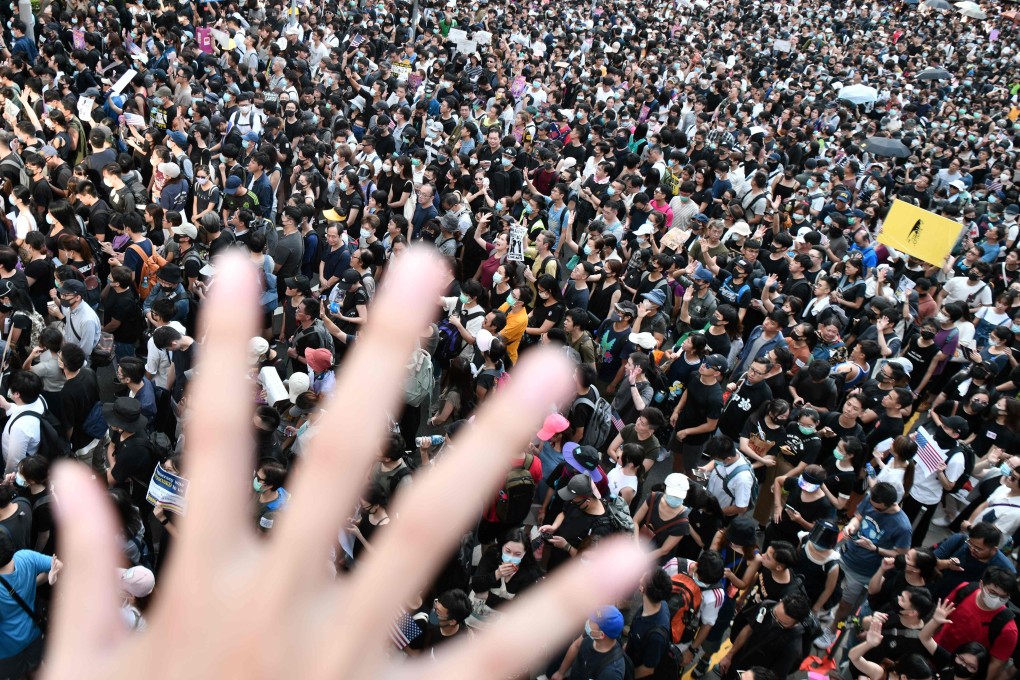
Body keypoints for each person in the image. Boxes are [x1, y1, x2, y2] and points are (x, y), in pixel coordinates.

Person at [933, 567, 1019, 678]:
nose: (997, 599)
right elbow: (940, 618)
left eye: (1003, 597)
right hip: (935, 651)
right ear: (981, 584)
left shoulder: (1007, 629)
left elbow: (996, 664)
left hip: (962, 671)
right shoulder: (965, 590)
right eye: (992, 592)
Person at [0, 531, 60, 678]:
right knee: (36, 667)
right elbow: (58, 564)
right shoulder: (26, 557)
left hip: (7, 650)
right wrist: (46, 578)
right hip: (33, 634)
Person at [716, 591, 812, 680]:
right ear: (780, 601)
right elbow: (748, 629)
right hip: (737, 662)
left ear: (796, 623)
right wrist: (729, 656)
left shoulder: (793, 648)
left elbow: (776, 676)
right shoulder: (767, 606)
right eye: (774, 615)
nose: (774, 621)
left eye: (782, 623)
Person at [552, 606, 629, 680]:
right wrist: (560, 673)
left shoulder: (611, 673)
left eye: (592, 621)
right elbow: (576, 646)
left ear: (601, 635)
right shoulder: (591, 634)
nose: (587, 622)